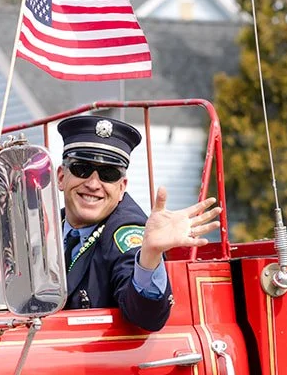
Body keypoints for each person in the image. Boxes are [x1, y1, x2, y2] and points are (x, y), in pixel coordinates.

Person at [57, 115, 221, 332]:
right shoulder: (48, 226)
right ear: (60, 177)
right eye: (82, 169)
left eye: (108, 174)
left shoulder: (127, 230)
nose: (94, 184)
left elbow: (146, 317)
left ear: (122, 187)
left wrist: (151, 255)